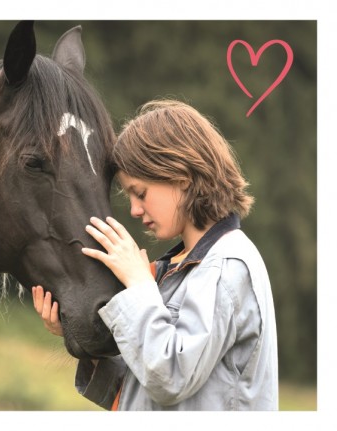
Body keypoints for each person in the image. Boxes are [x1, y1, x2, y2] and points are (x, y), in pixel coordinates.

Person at [32, 99, 278, 410]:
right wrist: (81, 340)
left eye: (141, 192)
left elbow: (171, 378)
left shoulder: (226, 265)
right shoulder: (178, 267)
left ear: (182, 178)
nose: (134, 210)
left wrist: (138, 285)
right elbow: (140, 392)